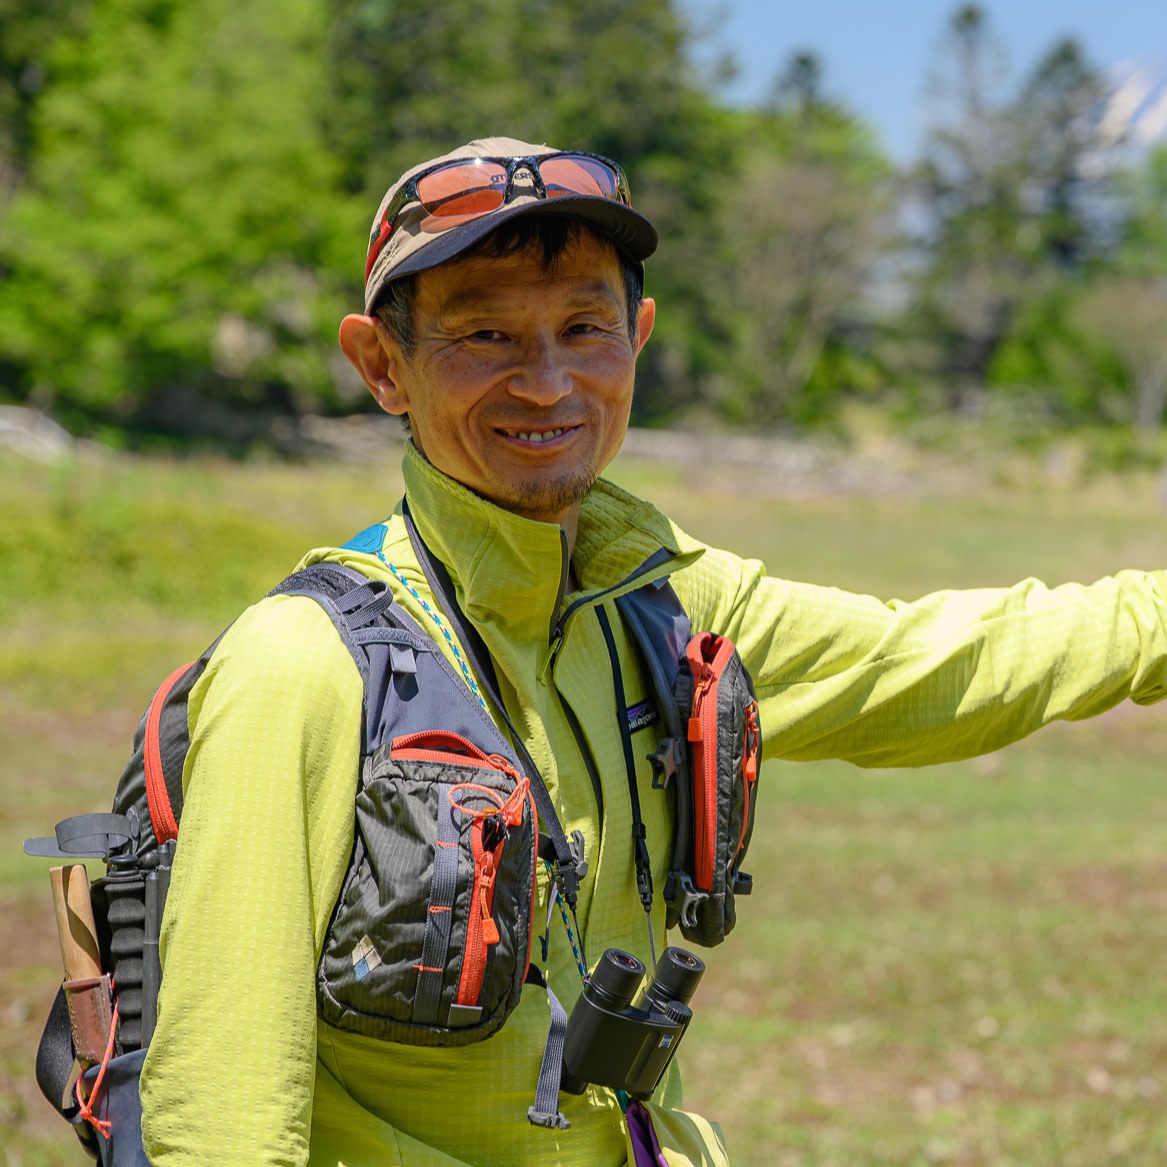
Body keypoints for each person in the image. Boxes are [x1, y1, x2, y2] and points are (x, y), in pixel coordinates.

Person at [137, 136, 1167, 1167]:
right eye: (485, 334)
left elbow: (947, 664)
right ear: (381, 366)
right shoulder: (302, 666)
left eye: (584, 328)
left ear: (637, 336)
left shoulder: (666, 605)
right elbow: (220, 1121)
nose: (546, 384)